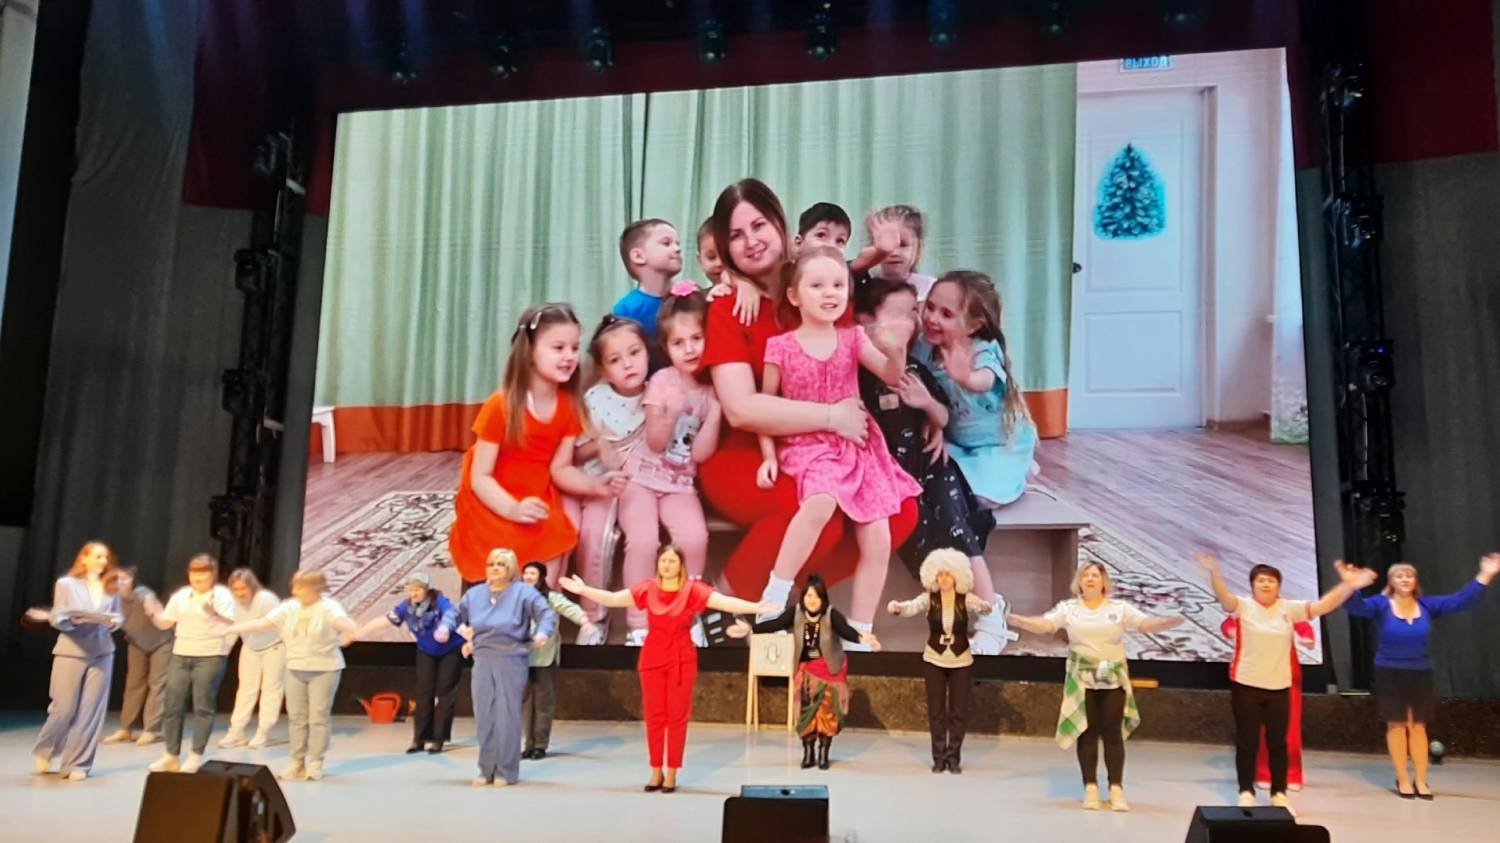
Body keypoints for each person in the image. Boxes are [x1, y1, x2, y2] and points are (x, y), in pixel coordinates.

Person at [696, 178, 918, 607]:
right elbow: (741, 410)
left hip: (827, 447)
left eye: (759, 226)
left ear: (780, 226)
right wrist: (833, 417)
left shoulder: (818, 286)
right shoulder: (726, 307)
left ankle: (792, 599)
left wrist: (894, 337)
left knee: (900, 511)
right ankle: (723, 600)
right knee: (818, 511)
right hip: (746, 451)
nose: (751, 241)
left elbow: (868, 346)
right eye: (736, 235)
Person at [754, 246, 920, 636]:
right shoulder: (780, 347)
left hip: (858, 445)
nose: (830, 293)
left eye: (838, 285)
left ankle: (861, 629)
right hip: (807, 444)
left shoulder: (853, 338)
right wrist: (768, 455)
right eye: (817, 285)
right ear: (794, 296)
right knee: (821, 500)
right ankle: (774, 594)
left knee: (879, 536)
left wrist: (895, 350)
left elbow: (891, 374)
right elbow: (764, 407)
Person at [854, 275, 1012, 654]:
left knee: (956, 525)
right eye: (899, 315)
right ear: (864, 322)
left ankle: (992, 614)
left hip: (931, 465)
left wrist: (926, 405)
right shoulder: (855, 374)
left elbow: (942, 415)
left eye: (914, 312)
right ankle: (958, 612)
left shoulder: (916, 369)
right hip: (891, 478)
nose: (913, 322)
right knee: (919, 539)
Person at [560, 544, 775, 793]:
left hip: (681, 658)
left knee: (676, 718)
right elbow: (614, 599)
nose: (667, 565)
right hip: (652, 657)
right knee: (654, 717)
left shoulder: (692, 590)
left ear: (681, 565)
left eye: (672, 561)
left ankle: (672, 772)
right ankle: (655, 771)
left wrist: (755, 608)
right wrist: (585, 590)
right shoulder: (648, 589)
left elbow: (724, 602)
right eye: (663, 560)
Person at [449, 303, 622, 590]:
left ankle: (538, 605)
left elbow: (561, 468)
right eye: (558, 348)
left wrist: (595, 485)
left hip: (536, 492)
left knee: (551, 551)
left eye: (574, 347)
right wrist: (511, 509)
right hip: (493, 496)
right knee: (500, 564)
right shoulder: (500, 406)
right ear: (530, 351)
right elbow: (481, 477)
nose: (569, 356)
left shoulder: (568, 407)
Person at [1197, 552, 1377, 815]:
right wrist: (1215, 572)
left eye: (1271, 580)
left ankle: (1278, 794)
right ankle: (1245, 791)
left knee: (1278, 743)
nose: (1266, 584)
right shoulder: (1243, 606)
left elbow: (1323, 606)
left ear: (1279, 585)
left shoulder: (1288, 609)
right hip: (1246, 686)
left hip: (1279, 688)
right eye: (1260, 580)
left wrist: (1348, 585)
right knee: (1247, 742)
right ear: (1252, 585)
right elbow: (1224, 598)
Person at [1007, 561, 1184, 811]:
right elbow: (1046, 625)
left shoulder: (1118, 608)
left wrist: (1166, 623)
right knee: (1087, 732)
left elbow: (1144, 624)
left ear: (1103, 582)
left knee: (1112, 733)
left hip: (1112, 679)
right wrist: (1019, 620)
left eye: (1095, 575)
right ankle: (1090, 788)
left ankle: (1116, 789)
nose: (1090, 579)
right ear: (1079, 582)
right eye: (1085, 575)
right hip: (1081, 680)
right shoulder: (1069, 609)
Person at [1342, 553, 1497, 799]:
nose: (1405, 579)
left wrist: (1485, 574)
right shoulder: (1381, 605)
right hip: (1390, 671)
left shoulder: (1426, 605)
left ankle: (1421, 780)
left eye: (1409, 576)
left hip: (1419, 672)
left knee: (1417, 726)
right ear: (1391, 582)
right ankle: (1403, 779)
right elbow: (1354, 607)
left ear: (1415, 581)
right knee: (1396, 725)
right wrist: (1352, 585)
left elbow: (1461, 601)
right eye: (1399, 576)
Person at [619, 285, 721, 644]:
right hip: (640, 480)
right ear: (666, 348)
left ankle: (687, 614)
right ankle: (638, 623)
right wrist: (671, 413)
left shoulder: (712, 389)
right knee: (643, 541)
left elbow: (701, 455)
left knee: (695, 538)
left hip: (679, 484)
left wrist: (715, 414)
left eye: (697, 339)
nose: (690, 349)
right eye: (679, 343)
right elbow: (655, 443)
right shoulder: (663, 381)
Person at [913, 271, 1039, 508]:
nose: (931, 318)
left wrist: (967, 378)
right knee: (938, 487)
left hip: (999, 445)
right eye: (930, 307)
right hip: (958, 443)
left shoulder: (982, 350)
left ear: (973, 325)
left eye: (946, 314)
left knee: (979, 498)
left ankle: (1018, 471)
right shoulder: (923, 347)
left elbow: (986, 380)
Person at [727, 575, 879, 769]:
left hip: (830, 673)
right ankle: (808, 752)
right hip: (805, 673)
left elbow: (846, 631)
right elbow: (776, 624)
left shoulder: (831, 614)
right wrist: (751, 629)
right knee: (806, 713)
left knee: (827, 713)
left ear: (823, 598)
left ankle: (823, 753)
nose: (812, 600)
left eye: (816, 596)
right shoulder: (796, 613)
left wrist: (863, 639)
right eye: (808, 596)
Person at [223, 571, 358, 781]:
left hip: (324, 668)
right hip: (295, 667)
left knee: (318, 717)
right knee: (296, 718)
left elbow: (344, 623)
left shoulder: (328, 607)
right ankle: (296, 763)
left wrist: (350, 631)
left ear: (315, 588)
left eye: (300, 587)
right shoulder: (290, 607)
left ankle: (315, 762)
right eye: (294, 586)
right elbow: (263, 623)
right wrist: (231, 629)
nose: (295, 591)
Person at [568, 315, 651, 643]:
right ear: (603, 368)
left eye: (635, 353)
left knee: (643, 539)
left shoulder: (658, 392)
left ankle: (639, 622)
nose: (628, 364)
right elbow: (574, 455)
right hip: (600, 486)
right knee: (592, 536)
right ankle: (592, 617)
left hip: (641, 487)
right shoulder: (594, 399)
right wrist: (600, 445)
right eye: (615, 360)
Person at [886, 548, 995, 774]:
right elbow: (911, 607)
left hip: (961, 661)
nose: (944, 579)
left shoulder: (966, 599)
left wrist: (986, 608)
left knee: (958, 711)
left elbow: (983, 608)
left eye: (948, 574)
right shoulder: (929, 599)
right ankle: (939, 758)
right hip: (933, 660)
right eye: (940, 574)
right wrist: (897, 608)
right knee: (936, 711)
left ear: (958, 576)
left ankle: (953, 758)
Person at [457, 548, 558, 787]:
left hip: (511, 658)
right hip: (483, 658)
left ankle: (506, 770)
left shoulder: (524, 592)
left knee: (506, 715)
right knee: (484, 715)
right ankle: (486, 768)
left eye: (500, 564)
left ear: (510, 568)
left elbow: (547, 615)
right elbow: (453, 616)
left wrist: (542, 634)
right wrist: (463, 633)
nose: (494, 568)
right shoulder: (475, 594)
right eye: (491, 564)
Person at [33, 541, 121, 781]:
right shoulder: (67, 584)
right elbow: (58, 616)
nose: (103, 561)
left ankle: (78, 763)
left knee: (91, 711)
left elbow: (117, 616)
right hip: (71, 649)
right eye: (98, 556)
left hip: (102, 651)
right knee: (63, 708)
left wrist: (112, 622)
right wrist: (72, 620)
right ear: (84, 558)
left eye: (105, 557)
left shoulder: (111, 587)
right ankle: (46, 749)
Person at [147, 553, 237, 773]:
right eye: (194, 574)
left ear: (212, 575)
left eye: (203, 574)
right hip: (180, 655)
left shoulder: (222, 595)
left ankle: (196, 755)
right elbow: (165, 623)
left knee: (202, 706)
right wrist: (152, 613)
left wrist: (213, 613)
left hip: (210, 656)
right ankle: (170, 755)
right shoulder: (181, 595)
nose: (197, 579)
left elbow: (231, 624)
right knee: (172, 705)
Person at [357, 571, 461, 753]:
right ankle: (419, 739)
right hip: (426, 650)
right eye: (411, 589)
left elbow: (451, 614)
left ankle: (438, 739)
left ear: (427, 590)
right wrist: (360, 632)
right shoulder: (406, 607)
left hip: (449, 650)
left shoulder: (439, 602)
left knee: (445, 691)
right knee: (423, 691)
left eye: (418, 589)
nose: (414, 593)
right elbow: (385, 620)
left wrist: (445, 628)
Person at [1220, 615, 1316, 792]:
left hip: (1286, 675)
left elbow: (1304, 627)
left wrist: (1307, 638)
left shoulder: (1287, 609)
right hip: (1258, 673)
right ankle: (1263, 772)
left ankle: (1293, 774)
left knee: (1290, 726)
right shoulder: (1248, 609)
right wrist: (1232, 631)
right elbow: (1229, 624)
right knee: (1262, 727)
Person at [520, 561, 595, 759]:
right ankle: (528, 744)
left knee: (543, 703)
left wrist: (584, 622)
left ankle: (540, 745)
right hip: (521, 657)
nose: (528, 577)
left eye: (533, 573)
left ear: (541, 577)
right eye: (526, 573)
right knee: (525, 704)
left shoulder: (551, 598)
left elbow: (570, 609)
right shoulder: (517, 597)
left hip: (545, 657)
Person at [103, 566, 172, 746]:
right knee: (133, 684)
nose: (120, 583)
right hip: (136, 643)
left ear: (132, 581)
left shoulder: (142, 593)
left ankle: (151, 730)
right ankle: (125, 729)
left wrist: (152, 607)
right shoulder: (111, 600)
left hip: (161, 642)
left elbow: (150, 600)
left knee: (157, 684)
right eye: (116, 579)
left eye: (125, 579)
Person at [219, 568, 284, 749]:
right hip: (250, 647)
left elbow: (272, 623)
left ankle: (263, 732)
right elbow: (232, 628)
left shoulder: (266, 599)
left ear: (252, 587)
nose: (240, 593)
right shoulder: (232, 603)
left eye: (243, 588)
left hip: (275, 646)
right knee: (246, 689)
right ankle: (236, 731)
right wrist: (225, 650)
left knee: (271, 689)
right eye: (236, 589)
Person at [611, 218, 685, 345]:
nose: (678, 249)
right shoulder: (626, 310)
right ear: (638, 256)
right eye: (666, 243)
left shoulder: (689, 299)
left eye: (677, 244)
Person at [858, 204, 937, 300]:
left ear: (918, 249)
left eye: (903, 244)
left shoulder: (930, 289)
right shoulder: (864, 288)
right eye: (886, 244)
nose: (894, 253)